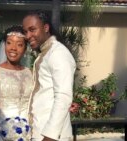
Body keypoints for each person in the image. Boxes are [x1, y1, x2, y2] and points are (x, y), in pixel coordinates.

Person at [22, 10, 76, 141]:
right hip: (39, 132)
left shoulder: (58, 53)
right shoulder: (45, 54)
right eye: (25, 31)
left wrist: (50, 136)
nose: (28, 36)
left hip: (51, 136)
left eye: (32, 29)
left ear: (46, 28)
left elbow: (63, 97)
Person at [0, 25, 33, 141]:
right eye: (9, 43)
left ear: (25, 49)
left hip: (26, 133)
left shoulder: (30, 73)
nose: (13, 48)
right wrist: (3, 130)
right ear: (4, 45)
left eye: (19, 44)